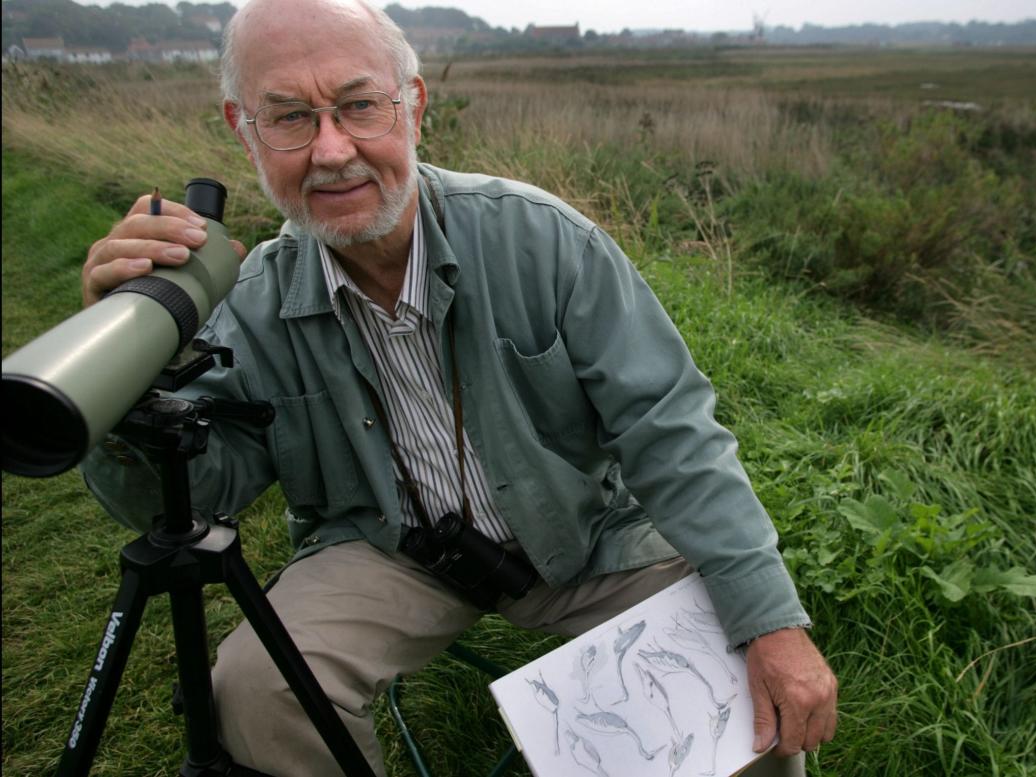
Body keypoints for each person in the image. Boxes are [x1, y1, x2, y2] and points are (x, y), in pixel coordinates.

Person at [79, 0, 838, 774]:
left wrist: (770, 618)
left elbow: (669, 427)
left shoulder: (542, 240)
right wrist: (123, 377)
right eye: (289, 118)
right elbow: (201, 491)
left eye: (360, 105)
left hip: (584, 533)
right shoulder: (251, 301)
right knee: (254, 685)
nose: (333, 150)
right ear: (244, 130)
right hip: (382, 545)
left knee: (734, 675)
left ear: (415, 106)